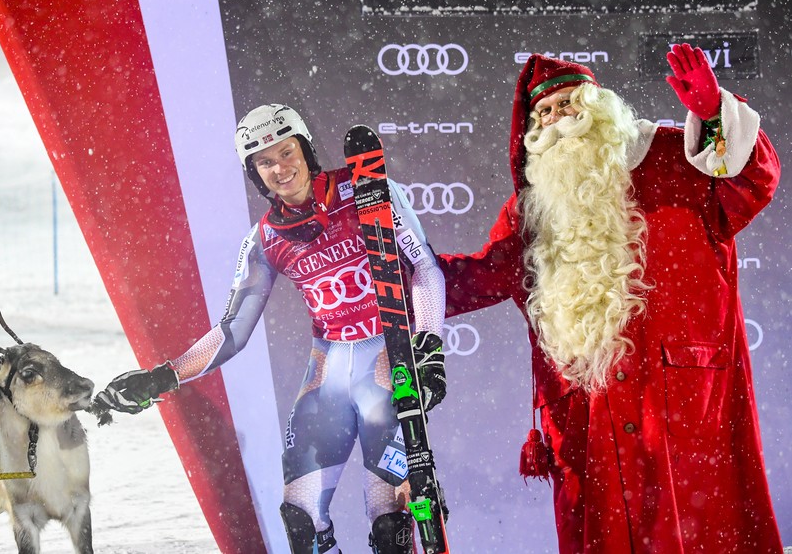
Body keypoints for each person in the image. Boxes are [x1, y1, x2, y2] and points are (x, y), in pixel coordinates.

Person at [439, 44, 783, 553]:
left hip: (680, 402)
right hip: (589, 415)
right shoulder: (530, 212)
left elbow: (752, 180)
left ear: (599, 107)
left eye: (568, 104)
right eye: (545, 114)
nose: (558, 120)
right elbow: (483, 274)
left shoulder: (674, 157)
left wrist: (714, 116)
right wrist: (391, 274)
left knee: (697, 530)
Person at [94, 104, 447, 554]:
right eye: (265, 162)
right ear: (254, 174)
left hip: (387, 368)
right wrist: (164, 375)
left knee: (388, 524)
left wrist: (430, 347)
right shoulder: (264, 240)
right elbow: (233, 330)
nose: (280, 168)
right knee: (301, 520)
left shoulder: (368, 190)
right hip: (328, 378)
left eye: (287, 152)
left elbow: (425, 270)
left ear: (306, 149)